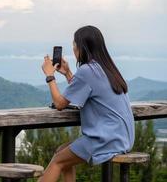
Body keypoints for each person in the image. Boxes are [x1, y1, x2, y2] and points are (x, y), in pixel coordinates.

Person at [39, 25, 135, 182]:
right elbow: (86, 90)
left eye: (75, 46)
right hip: (122, 137)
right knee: (62, 152)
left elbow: (60, 104)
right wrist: (69, 74)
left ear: (82, 48)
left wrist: (50, 76)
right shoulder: (106, 68)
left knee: (57, 162)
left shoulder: (87, 71)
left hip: (106, 139)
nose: (74, 50)